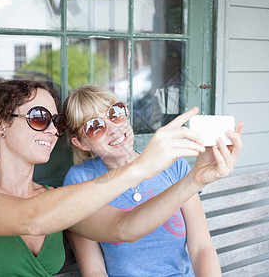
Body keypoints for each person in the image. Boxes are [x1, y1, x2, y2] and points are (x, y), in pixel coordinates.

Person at [0, 80, 242, 276]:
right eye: (38, 118)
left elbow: (124, 227)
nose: (51, 130)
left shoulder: (56, 199)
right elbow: (30, 220)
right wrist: (140, 167)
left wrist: (197, 180)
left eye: (56, 121)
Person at [62, 84, 244, 277]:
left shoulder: (173, 165)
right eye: (94, 127)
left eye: (115, 114)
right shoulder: (81, 180)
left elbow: (201, 247)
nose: (113, 129)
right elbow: (94, 271)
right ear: (80, 143)